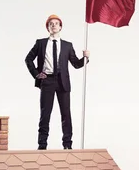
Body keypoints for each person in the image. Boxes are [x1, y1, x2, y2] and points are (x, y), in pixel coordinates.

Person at [25, 14, 90, 150]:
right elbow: (28, 59)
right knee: (45, 114)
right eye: (51, 24)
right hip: (47, 81)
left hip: (63, 82)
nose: (54, 25)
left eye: (56, 23)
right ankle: (42, 145)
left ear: (60, 27)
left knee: (66, 114)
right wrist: (37, 74)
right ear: (48, 27)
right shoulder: (40, 43)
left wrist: (85, 58)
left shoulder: (67, 45)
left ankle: (67, 145)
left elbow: (76, 64)